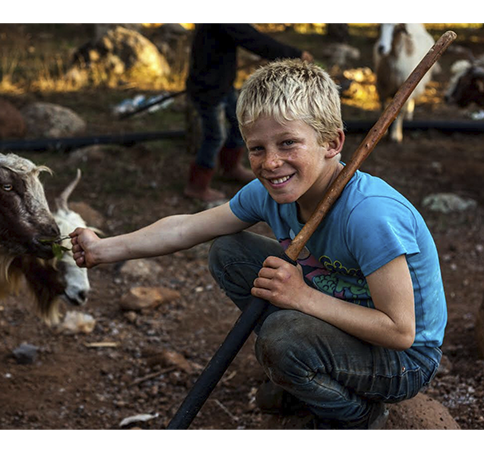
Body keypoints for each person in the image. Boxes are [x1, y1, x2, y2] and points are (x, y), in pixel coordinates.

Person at [71, 59, 447, 429]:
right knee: (228, 252)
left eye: (288, 143)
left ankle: (359, 414)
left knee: (282, 340)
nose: (270, 163)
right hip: (341, 317)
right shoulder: (270, 193)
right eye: (256, 148)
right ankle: (306, 369)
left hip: (403, 359)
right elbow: (186, 228)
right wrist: (104, 249)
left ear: (332, 142)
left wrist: (302, 298)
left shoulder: (369, 215)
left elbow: (400, 331)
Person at [184, 24, 313, 201]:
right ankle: (197, 185)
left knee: (241, 124)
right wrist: (293, 54)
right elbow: (252, 39)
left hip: (222, 84)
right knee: (214, 137)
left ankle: (230, 168)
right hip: (208, 89)